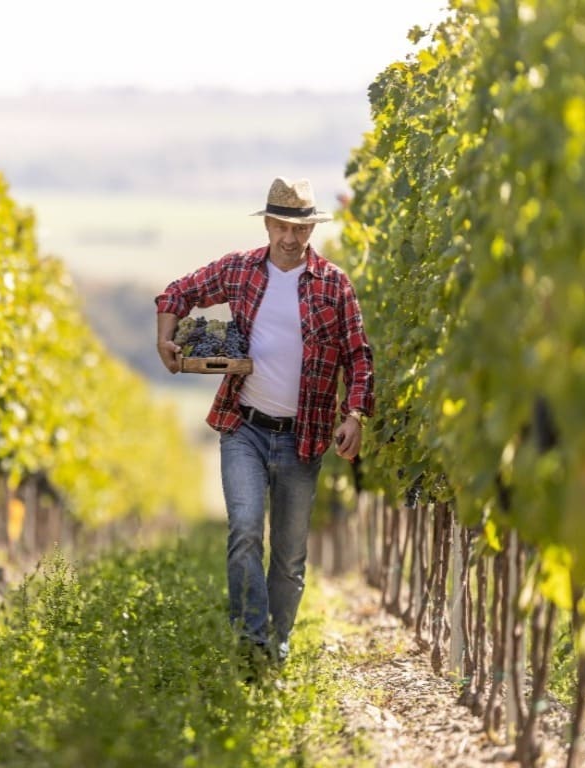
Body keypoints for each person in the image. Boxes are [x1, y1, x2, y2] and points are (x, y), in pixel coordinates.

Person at [154, 176, 374, 666]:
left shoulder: (335, 286)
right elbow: (176, 293)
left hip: (304, 436)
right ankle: (250, 645)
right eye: (282, 226)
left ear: (312, 229)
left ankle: (277, 647)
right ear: (269, 224)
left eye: (301, 228)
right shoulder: (240, 270)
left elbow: (359, 357)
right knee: (247, 529)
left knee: (290, 556)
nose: (291, 238)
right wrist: (165, 340)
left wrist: (355, 413)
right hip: (244, 428)